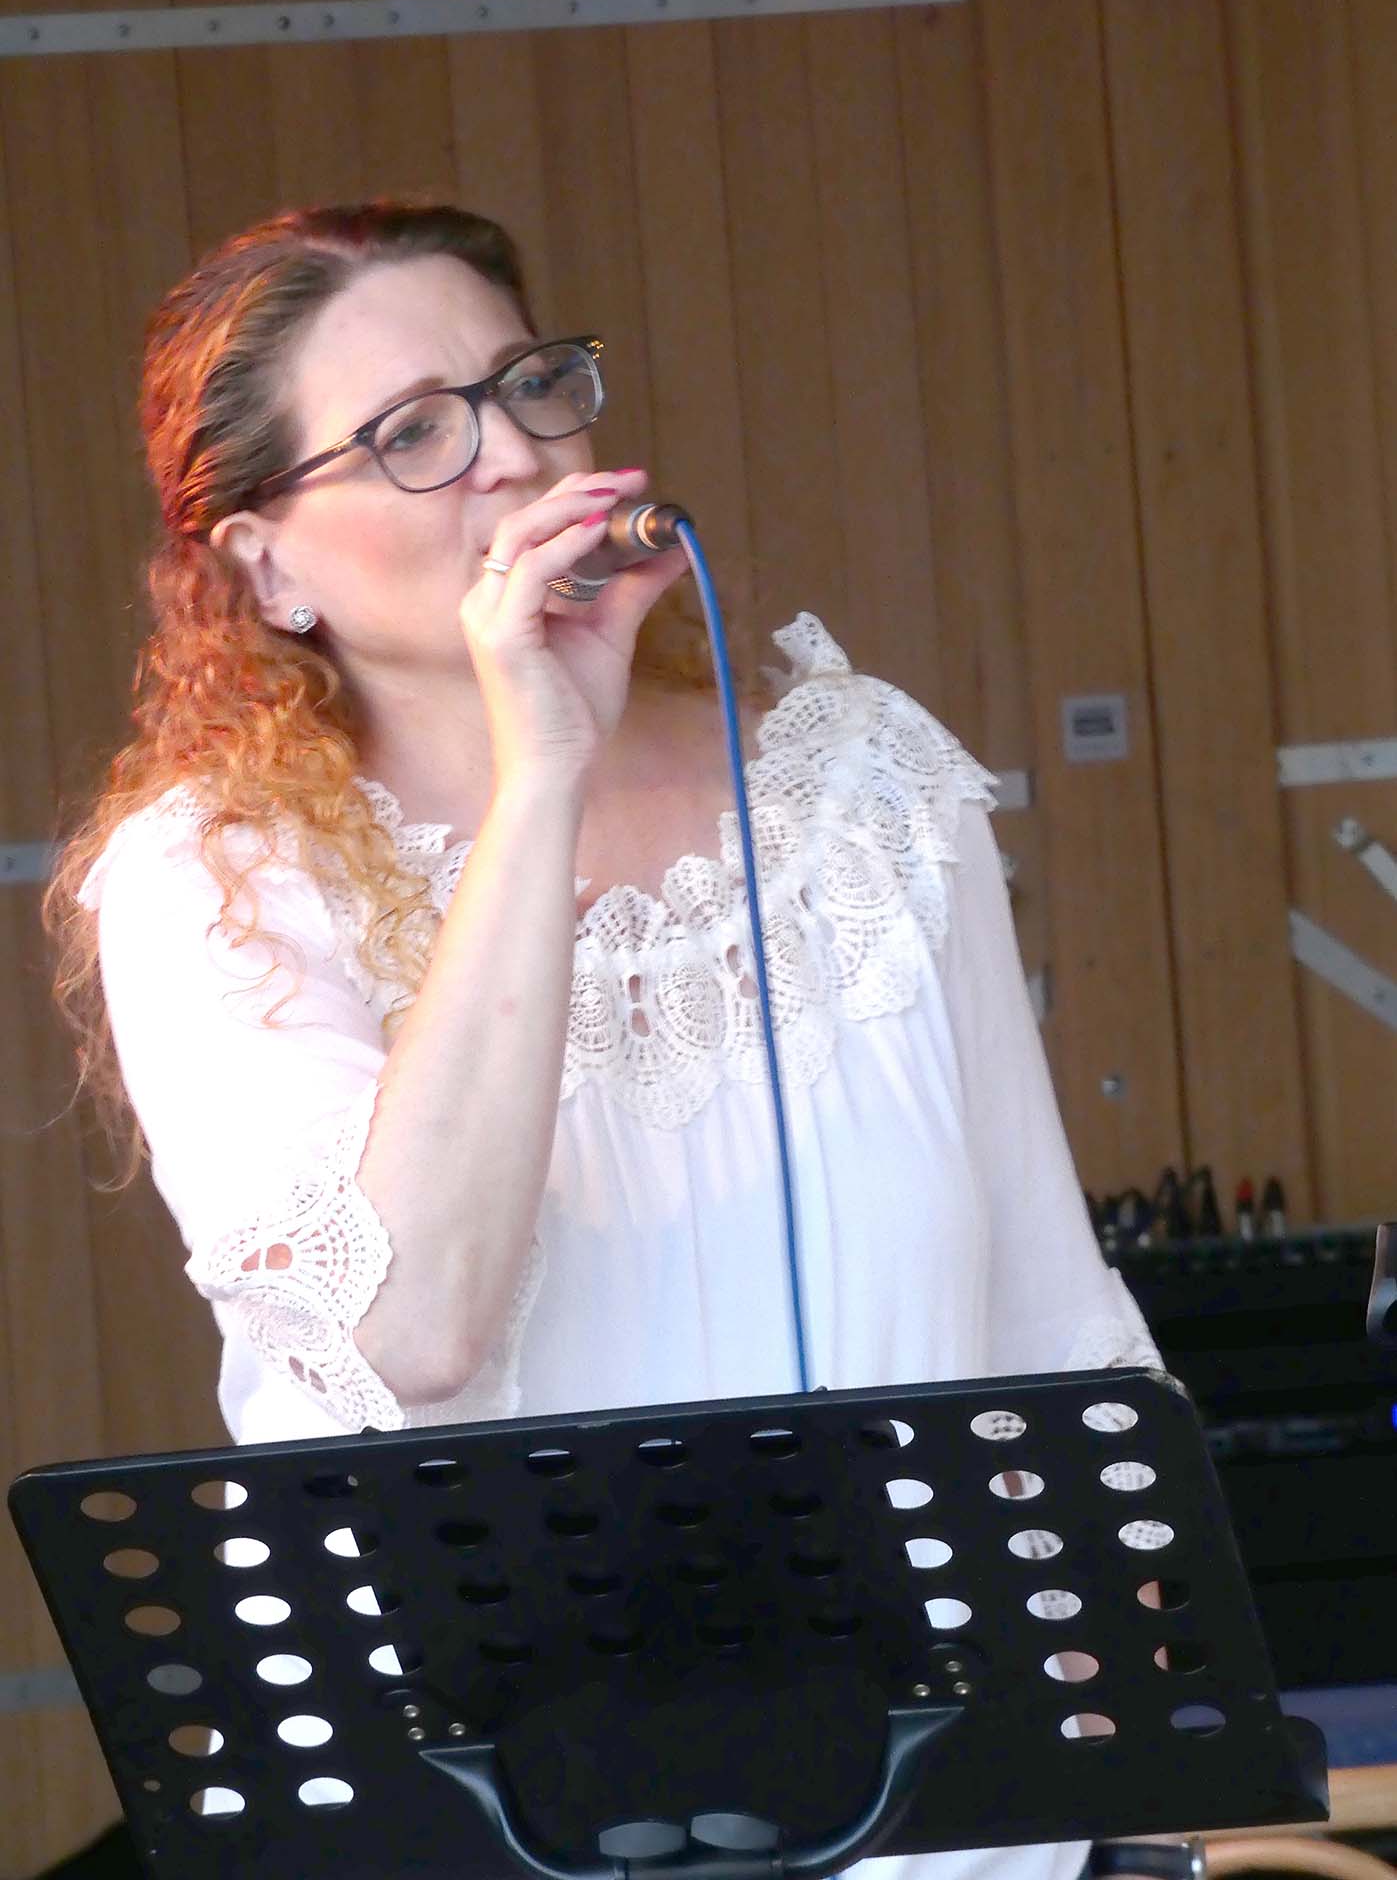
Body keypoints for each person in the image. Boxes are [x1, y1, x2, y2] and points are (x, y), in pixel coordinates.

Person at [48, 199, 1158, 1880]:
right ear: (265, 566)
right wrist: (542, 774)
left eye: (526, 386)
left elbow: (1050, 1325)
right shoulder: (216, 882)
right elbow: (409, 1332)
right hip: (482, 1829)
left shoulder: (859, 795)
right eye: (411, 432)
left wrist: (1103, 1717)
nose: (507, 454)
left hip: (929, 1828)